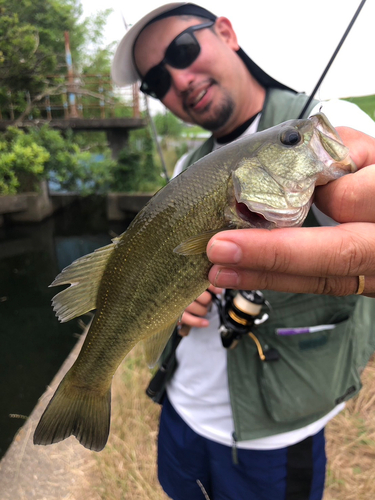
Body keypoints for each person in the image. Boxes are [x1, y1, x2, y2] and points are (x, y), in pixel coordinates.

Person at [111, 3, 375, 499]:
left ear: (226, 32)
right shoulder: (191, 167)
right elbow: (181, 267)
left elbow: (361, 154)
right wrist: (181, 301)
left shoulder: (327, 121)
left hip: (274, 434)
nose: (179, 79)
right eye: (155, 81)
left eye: (182, 50)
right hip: (182, 411)